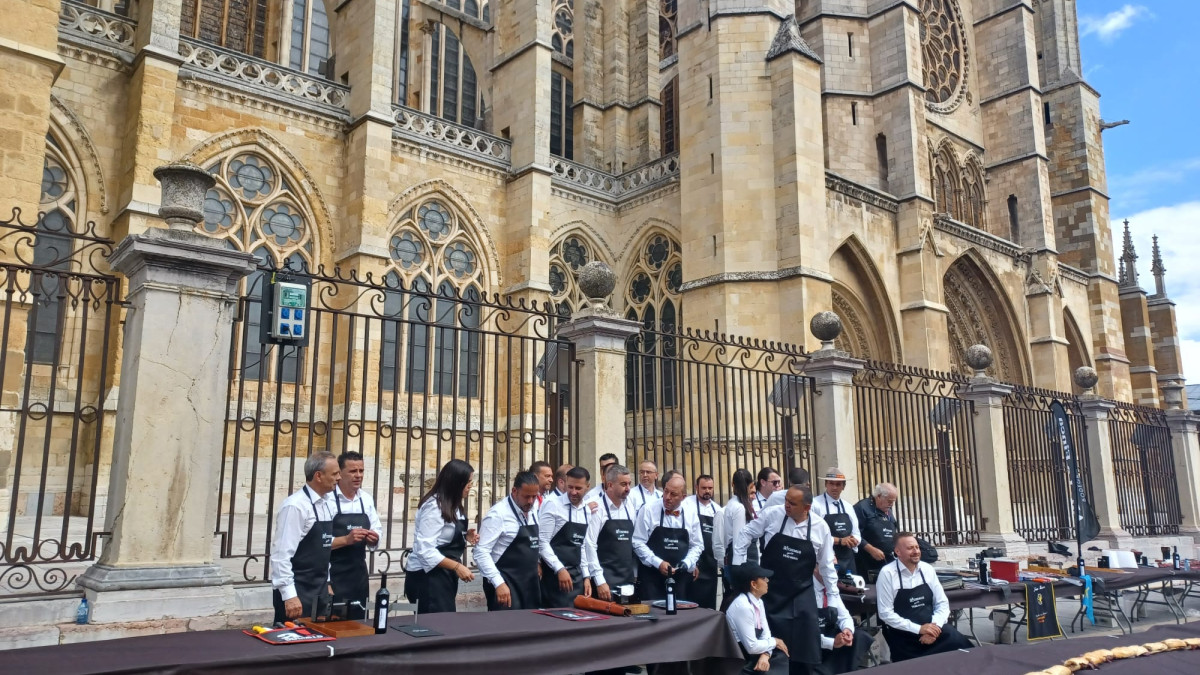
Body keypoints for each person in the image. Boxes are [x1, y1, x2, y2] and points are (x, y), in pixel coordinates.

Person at [733, 485, 840, 675]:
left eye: (792, 503)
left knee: (806, 637)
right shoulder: (772, 514)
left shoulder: (820, 527)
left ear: (806, 507)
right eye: (786, 501)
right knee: (770, 640)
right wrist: (740, 566)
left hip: (802, 591)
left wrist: (832, 597)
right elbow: (745, 533)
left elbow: (826, 566)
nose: (786, 505)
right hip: (770, 589)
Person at [876, 533, 972, 662]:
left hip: (933, 629)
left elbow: (942, 603)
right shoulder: (887, 573)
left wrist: (934, 628)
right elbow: (885, 613)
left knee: (966, 651)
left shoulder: (927, 569)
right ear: (898, 551)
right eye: (910, 548)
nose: (916, 551)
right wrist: (919, 629)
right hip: (904, 634)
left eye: (917, 547)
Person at [270, 452, 339, 623]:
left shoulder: (328, 504)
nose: (339, 477)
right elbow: (281, 555)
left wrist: (327, 583)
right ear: (318, 476)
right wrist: (289, 595)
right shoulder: (295, 507)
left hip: (320, 591)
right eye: (335, 473)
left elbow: (321, 549)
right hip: (297, 591)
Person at [404, 458, 478, 614]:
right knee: (437, 625)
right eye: (468, 481)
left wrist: (464, 536)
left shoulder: (454, 504)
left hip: (443, 575)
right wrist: (458, 566)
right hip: (427, 578)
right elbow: (425, 550)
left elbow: (443, 536)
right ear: (456, 482)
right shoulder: (434, 507)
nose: (471, 485)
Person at [476, 471, 543, 610]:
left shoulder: (534, 508)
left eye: (534, 497)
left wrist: (537, 561)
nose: (531, 501)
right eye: (526, 497)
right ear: (514, 491)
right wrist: (498, 583)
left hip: (530, 583)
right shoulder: (498, 514)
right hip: (505, 582)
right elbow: (481, 552)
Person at [328, 451, 383, 619]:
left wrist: (374, 538)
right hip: (334, 573)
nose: (358, 476)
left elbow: (377, 528)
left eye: (361, 471)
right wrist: (346, 540)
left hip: (358, 574)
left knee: (359, 622)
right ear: (340, 473)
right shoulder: (328, 500)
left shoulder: (365, 499)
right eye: (353, 471)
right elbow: (317, 543)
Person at [633, 473, 703, 601]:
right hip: (651, 577)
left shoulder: (691, 513)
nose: (667, 497)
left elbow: (697, 545)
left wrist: (686, 563)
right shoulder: (648, 509)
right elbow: (637, 542)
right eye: (666, 491)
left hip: (680, 578)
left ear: (683, 497)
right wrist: (658, 562)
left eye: (673, 494)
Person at [539, 466, 596, 607]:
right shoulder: (552, 505)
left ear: (587, 487)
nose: (573, 492)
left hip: (576, 577)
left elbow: (580, 545)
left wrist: (586, 576)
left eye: (578, 488)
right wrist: (560, 569)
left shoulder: (586, 512)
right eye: (570, 487)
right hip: (553, 575)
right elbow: (542, 542)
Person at [725, 563, 791, 674]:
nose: (767, 581)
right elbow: (751, 647)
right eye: (764, 578)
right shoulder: (743, 606)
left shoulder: (758, 601)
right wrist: (775, 642)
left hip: (754, 652)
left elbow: (766, 634)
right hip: (740, 658)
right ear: (754, 584)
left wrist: (765, 655)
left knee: (780, 656)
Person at [585, 463, 637, 602]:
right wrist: (600, 581)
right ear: (609, 485)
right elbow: (589, 545)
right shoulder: (597, 508)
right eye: (623, 484)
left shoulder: (629, 507)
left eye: (629, 484)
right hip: (605, 579)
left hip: (627, 578)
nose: (628, 489)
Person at [813, 578, 870, 675]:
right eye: (831, 566)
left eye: (836, 568)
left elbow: (844, 616)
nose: (834, 573)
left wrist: (847, 630)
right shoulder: (806, 589)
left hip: (829, 632)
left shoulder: (831, 587)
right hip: (810, 642)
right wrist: (832, 642)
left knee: (859, 637)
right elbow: (803, 635)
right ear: (816, 566)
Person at [809, 467, 860, 575]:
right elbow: (814, 534)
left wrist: (854, 540)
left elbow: (856, 532)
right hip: (826, 557)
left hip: (848, 558)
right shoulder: (815, 504)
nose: (834, 487)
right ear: (825, 484)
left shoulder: (848, 507)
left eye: (838, 485)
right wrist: (840, 541)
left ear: (843, 487)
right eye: (831, 484)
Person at [683, 474, 724, 609]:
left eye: (710, 488)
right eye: (704, 488)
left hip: (710, 564)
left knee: (709, 604)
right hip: (693, 563)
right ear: (696, 487)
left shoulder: (717, 509)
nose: (707, 491)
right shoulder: (687, 505)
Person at [723, 468, 759, 602]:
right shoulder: (738, 507)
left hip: (740, 557)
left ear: (733, 484)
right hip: (742, 560)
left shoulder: (735, 505)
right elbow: (740, 541)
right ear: (750, 485)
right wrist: (740, 570)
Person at [854, 483, 899, 583]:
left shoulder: (887, 508)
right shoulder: (861, 508)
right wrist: (871, 550)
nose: (891, 504)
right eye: (889, 501)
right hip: (866, 561)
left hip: (887, 560)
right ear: (878, 496)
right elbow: (854, 535)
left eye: (893, 501)